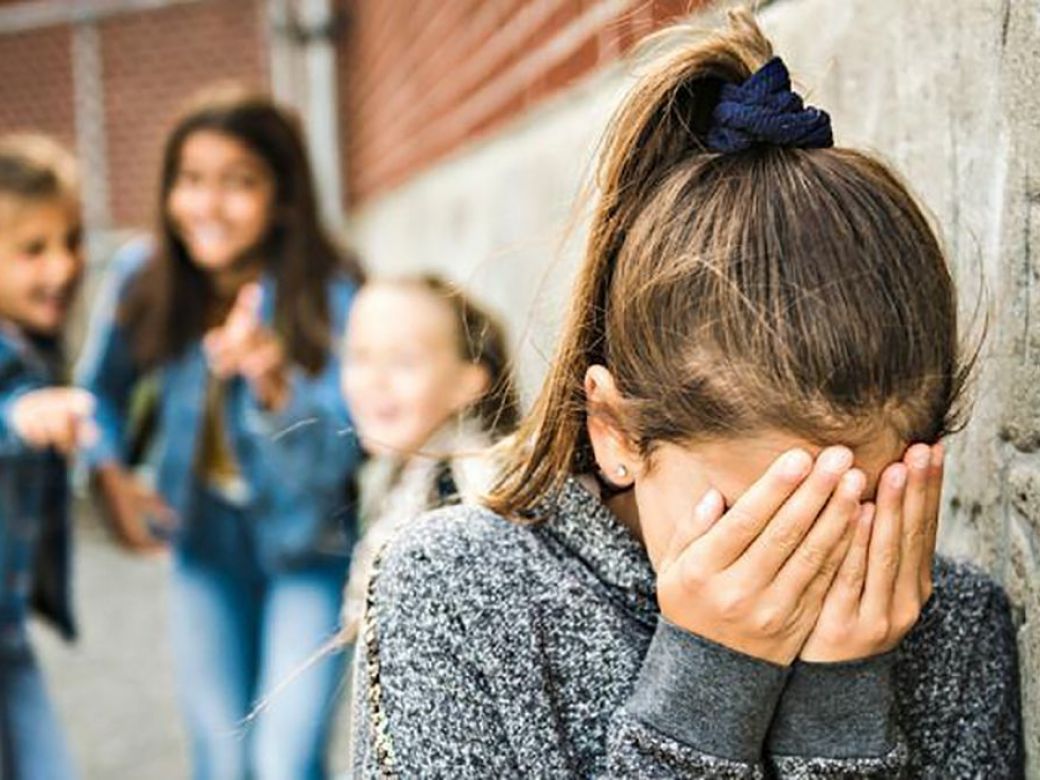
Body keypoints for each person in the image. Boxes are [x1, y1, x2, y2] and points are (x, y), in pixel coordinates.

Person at [349, 10, 1024, 778]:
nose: (802, 566)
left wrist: (842, 712)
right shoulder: (460, 595)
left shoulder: (954, 626)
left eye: (853, 511)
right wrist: (707, 691)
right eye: (758, 521)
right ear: (615, 433)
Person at [77, 88, 363, 780]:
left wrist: (272, 380)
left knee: (284, 762)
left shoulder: (330, 290)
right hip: (203, 547)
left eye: (238, 183)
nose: (206, 205)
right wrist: (110, 479)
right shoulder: (144, 277)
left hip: (309, 548)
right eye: (191, 180)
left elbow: (348, 451)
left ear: (284, 197)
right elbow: (97, 399)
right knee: (220, 757)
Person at [337, 274, 519, 643]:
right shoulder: (401, 477)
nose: (375, 380)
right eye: (359, 356)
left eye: (404, 361)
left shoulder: (465, 491)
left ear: (467, 383)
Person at [0, 135, 92, 780]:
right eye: (32, 249)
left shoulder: (36, 349)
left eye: (71, 241)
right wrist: (16, 418)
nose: (61, 266)